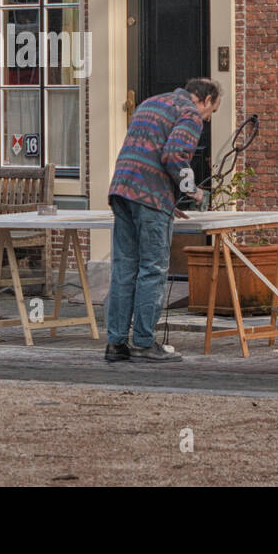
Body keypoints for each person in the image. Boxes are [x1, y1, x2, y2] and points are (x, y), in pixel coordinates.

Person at [104, 77, 221, 362]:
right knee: (152, 270)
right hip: (149, 195)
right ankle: (144, 343)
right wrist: (191, 191)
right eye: (212, 112)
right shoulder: (190, 114)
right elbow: (173, 156)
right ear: (205, 100)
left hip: (122, 189)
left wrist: (168, 199)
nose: (206, 121)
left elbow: (148, 152)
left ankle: (116, 345)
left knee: (124, 269)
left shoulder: (150, 103)